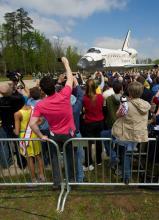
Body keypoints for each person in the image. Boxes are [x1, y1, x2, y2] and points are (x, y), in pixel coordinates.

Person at [30, 57, 83, 186]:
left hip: (54, 135)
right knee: (70, 157)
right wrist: (66, 63)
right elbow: (70, 79)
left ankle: (57, 182)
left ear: (42, 90)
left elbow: (32, 124)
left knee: (54, 158)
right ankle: (71, 180)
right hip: (68, 134)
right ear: (54, 86)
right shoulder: (65, 94)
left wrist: (41, 136)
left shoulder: (40, 105)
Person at [112, 81, 151, 183]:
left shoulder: (126, 104)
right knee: (127, 154)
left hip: (127, 134)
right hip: (138, 134)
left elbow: (118, 115)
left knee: (125, 155)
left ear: (129, 92)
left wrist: (123, 104)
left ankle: (126, 177)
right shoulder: (145, 104)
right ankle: (123, 171)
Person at [14, 101, 45, 182]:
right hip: (34, 134)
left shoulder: (17, 113)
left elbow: (17, 132)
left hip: (25, 137)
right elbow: (41, 120)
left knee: (29, 158)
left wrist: (14, 130)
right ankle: (42, 176)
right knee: (38, 156)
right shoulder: (33, 108)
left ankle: (34, 179)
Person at [82, 79, 104, 171]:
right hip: (99, 122)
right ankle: (99, 160)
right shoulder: (100, 97)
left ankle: (89, 163)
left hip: (89, 122)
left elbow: (85, 108)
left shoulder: (85, 98)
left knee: (88, 143)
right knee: (98, 141)